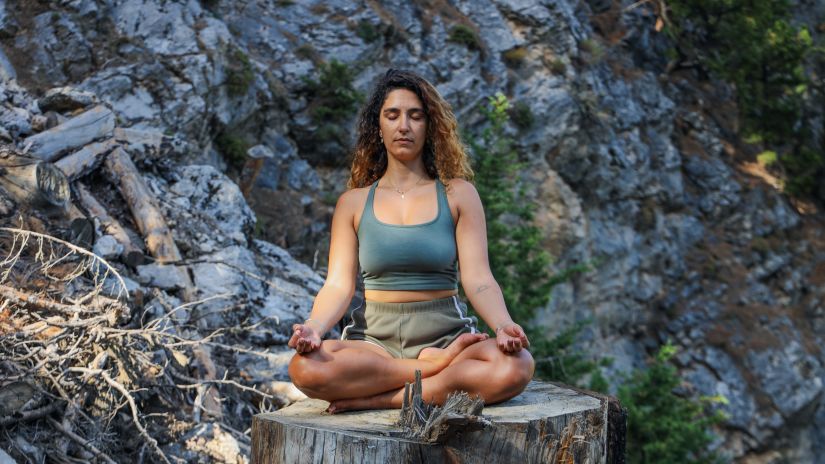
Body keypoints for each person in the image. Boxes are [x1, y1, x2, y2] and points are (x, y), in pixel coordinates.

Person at [287, 69, 534, 413]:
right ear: (379, 127)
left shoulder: (458, 195)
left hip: (447, 336)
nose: (403, 126)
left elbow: (478, 278)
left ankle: (381, 398)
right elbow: (338, 285)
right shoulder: (353, 203)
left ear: (429, 126)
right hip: (374, 344)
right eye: (393, 115)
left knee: (517, 365)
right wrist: (313, 328)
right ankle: (429, 372)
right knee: (304, 368)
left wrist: (504, 325)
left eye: (415, 116)